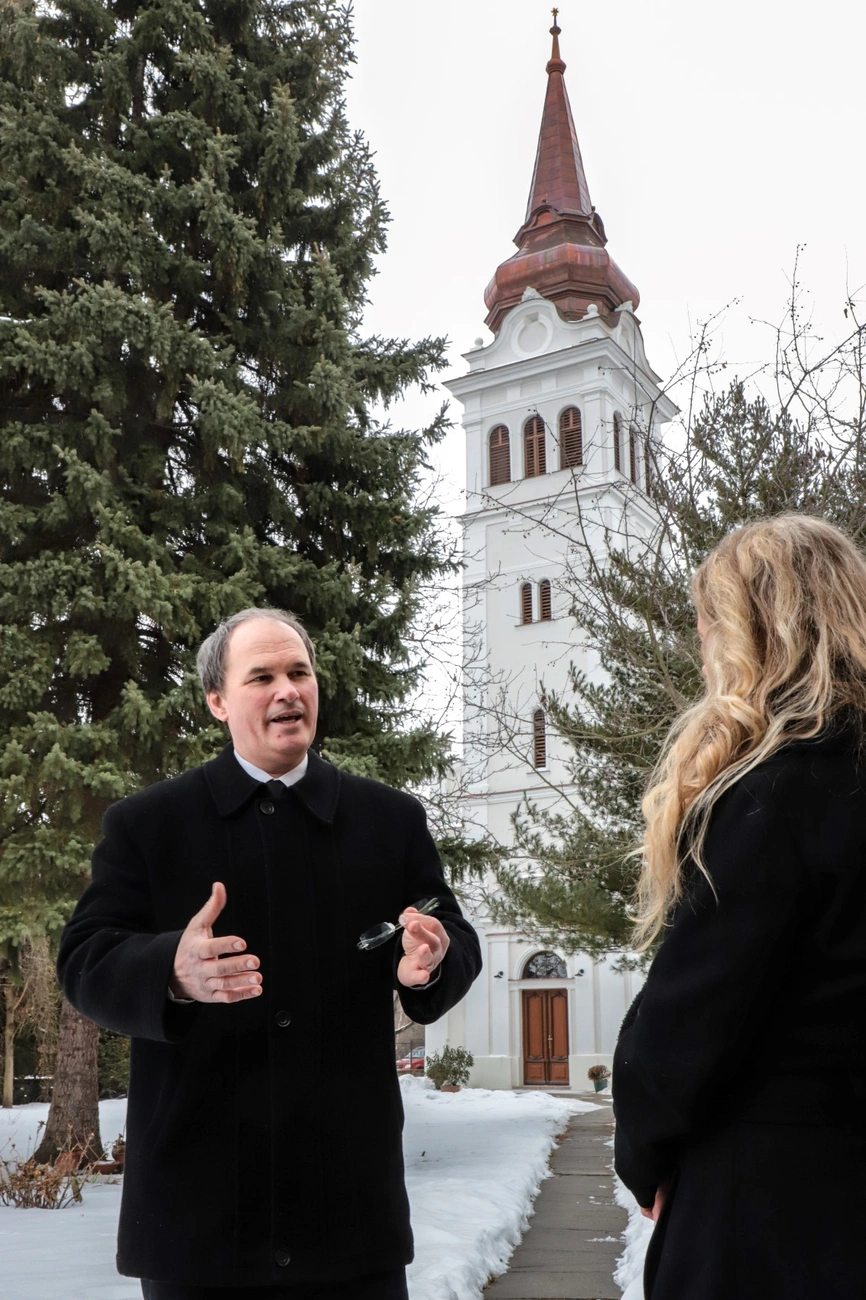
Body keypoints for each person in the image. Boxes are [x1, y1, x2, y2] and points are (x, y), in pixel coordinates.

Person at [58, 607, 482, 1300]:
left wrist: (429, 961)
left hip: (347, 1216)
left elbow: (449, 930)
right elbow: (83, 960)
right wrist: (170, 969)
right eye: (262, 677)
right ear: (218, 701)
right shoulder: (148, 825)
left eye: (299, 673)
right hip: (197, 1227)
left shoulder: (389, 821)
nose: (288, 690)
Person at [612, 514, 866, 1299]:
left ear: (754, 630)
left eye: (709, 622)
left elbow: (689, 1018)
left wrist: (645, 1150)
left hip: (772, 1207)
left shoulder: (776, 793)